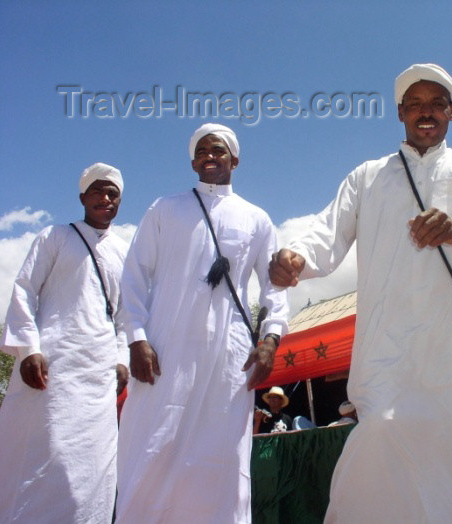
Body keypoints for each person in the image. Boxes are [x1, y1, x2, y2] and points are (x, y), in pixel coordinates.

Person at [270, 63, 452, 522]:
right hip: (387, 347)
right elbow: (326, 233)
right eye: (416, 104)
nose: (426, 113)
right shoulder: (368, 176)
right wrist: (297, 256)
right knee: (380, 436)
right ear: (400, 113)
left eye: (436, 104)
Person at [115, 123, 288, 523]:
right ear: (193, 161)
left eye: (219, 150)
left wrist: (270, 339)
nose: (211, 156)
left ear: (235, 160)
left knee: (221, 459)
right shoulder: (164, 209)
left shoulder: (256, 219)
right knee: (153, 449)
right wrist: (137, 337)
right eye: (203, 151)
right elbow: (134, 276)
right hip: (165, 352)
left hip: (227, 361)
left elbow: (274, 287)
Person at [0, 163, 129, 522]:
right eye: (97, 191)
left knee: (93, 465)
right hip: (51, 367)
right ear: (82, 197)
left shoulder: (124, 252)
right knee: (45, 453)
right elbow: (25, 290)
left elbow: (125, 315)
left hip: (98, 374)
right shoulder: (55, 236)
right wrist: (29, 349)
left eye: (112, 193)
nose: (105, 198)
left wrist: (122, 359)